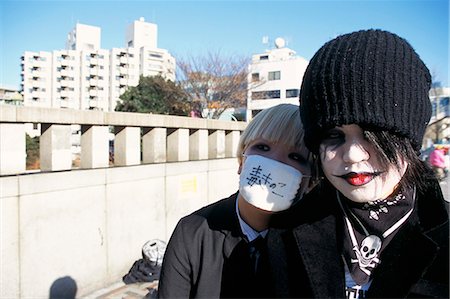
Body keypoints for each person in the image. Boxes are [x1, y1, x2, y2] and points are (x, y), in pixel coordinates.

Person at [269, 29, 449, 298]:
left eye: (372, 135)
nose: (353, 155)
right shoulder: (287, 230)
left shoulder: (443, 232)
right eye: (333, 135)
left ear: (408, 139)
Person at [158, 104, 315, 298]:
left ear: (310, 182)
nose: (274, 162)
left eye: (295, 156)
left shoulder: (318, 243)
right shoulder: (192, 232)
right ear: (242, 160)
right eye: (262, 147)